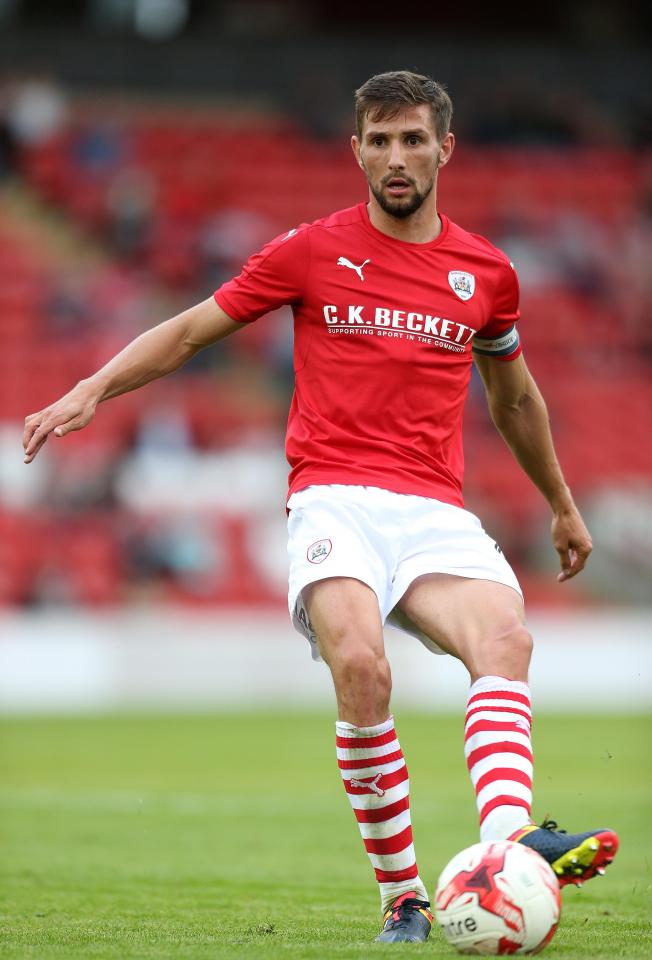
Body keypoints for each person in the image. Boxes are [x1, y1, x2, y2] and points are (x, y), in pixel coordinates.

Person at [23, 70, 618, 944]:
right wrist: (92, 388)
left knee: (506, 638)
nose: (396, 157)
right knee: (363, 668)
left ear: (444, 148)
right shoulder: (309, 250)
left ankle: (509, 841)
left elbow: (516, 400)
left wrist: (561, 505)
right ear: (357, 151)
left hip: (432, 509)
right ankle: (405, 896)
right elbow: (192, 329)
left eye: (413, 139)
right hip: (334, 497)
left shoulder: (486, 273)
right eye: (378, 140)